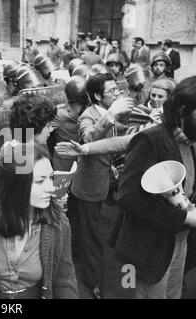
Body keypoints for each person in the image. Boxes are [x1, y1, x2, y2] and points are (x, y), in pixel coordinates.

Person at [113, 76, 196, 299]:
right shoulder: (150, 139)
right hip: (149, 250)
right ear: (183, 111)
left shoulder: (190, 141)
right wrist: (186, 219)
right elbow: (128, 198)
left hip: (178, 244)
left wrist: (195, 196)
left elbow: (177, 188)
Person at [0, 143, 78, 299]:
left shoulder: (57, 223)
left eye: (51, 178)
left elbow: (64, 279)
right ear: (16, 185)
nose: (51, 188)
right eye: (40, 181)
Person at [69, 73, 134, 299]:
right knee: (92, 237)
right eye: (111, 91)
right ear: (97, 95)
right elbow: (88, 139)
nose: (116, 94)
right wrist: (111, 116)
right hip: (89, 187)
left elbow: (117, 137)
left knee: (103, 233)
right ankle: (93, 282)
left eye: (117, 90)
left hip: (109, 183)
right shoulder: (87, 116)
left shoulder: (109, 112)